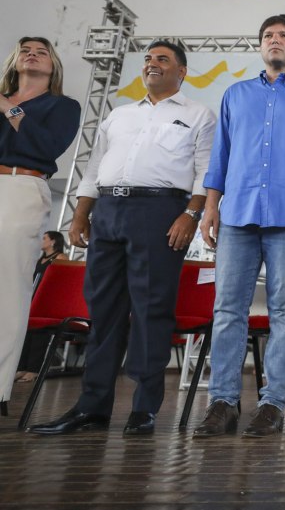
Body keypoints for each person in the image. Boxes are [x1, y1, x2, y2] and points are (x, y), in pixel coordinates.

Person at [29, 40, 214, 436]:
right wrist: (81, 215)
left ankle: (144, 409)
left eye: (162, 59)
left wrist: (190, 215)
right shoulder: (119, 115)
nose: (152, 64)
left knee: (151, 311)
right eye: (148, 58)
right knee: (103, 311)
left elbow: (206, 171)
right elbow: (95, 168)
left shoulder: (198, 114)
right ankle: (92, 408)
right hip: (108, 211)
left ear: (182, 71)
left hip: (160, 212)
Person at [194, 15, 285, 438]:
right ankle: (222, 402)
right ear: (260, 46)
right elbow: (220, 157)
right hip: (237, 215)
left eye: (283, 36)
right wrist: (210, 207)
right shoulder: (236, 94)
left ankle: (273, 403)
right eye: (268, 36)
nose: (275, 40)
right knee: (227, 309)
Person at [0, 37, 80, 409]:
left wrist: (9, 109)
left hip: (22, 185)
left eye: (41, 51)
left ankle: (0, 387)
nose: (32, 53)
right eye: (25, 50)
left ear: (53, 66)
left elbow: (47, 147)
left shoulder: (62, 105)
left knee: (9, 287)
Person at [16, 231, 70, 383]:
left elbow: (64, 281)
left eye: (44, 238)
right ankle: (22, 367)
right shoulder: (40, 258)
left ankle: (33, 370)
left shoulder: (60, 257)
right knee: (27, 332)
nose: (41, 240)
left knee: (40, 334)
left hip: (48, 300)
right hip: (33, 298)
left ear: (53, 241)